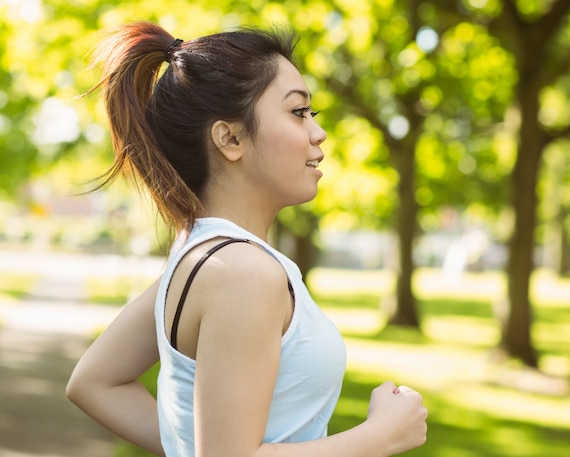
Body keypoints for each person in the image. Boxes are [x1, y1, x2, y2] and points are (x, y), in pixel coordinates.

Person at [66, 20, 428, 457]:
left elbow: (95, 382)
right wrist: (382, 436)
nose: (318, 132)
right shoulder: (242, 272)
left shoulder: (200, 256)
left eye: (313, 115)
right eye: (298, 111)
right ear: (230, 138)